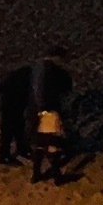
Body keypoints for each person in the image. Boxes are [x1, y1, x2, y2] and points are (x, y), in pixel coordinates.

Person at [30, 49, 74, 183]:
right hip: (48, 110)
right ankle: (57, 177)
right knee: (52, 142)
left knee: (39, 143)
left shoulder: (38, 67)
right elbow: (62, 88)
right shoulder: (51, 71)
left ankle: (36, 174)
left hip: (34, 110)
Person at [0, 64, 33, 165]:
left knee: (18, 126)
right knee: (9, 130)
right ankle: (4, 155)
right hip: (11, 104)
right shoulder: (26, 79)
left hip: (11, 103)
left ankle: (21, 148)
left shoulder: (16, 76)